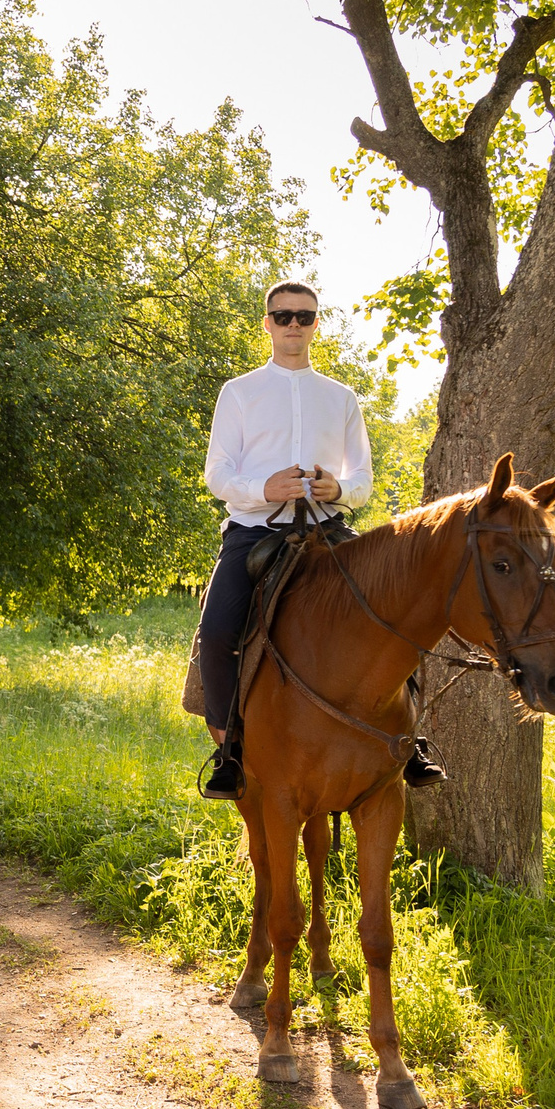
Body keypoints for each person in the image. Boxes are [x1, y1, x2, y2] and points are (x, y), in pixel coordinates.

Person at [196, 280, 376, 800]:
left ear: (317, 323)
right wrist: (263, 488)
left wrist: (339, 487)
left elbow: (362, 478)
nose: (293, 324)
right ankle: (231, 754)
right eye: (283, 316)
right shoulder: (239, 391)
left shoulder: (342, 398)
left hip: (328, 529)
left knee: (392, 610)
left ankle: (413, 743)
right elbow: (217, 473)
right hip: (254, 531)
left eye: (304, 316)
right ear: (267, 323)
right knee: (216, 633)